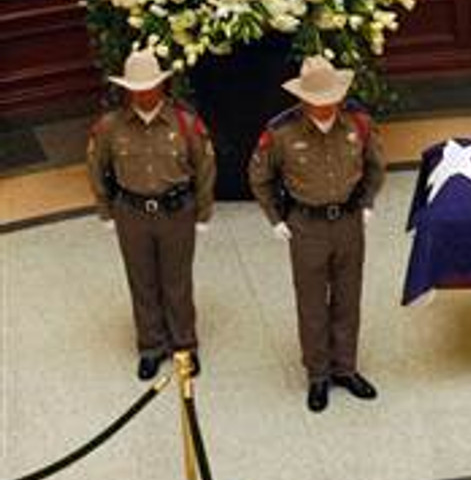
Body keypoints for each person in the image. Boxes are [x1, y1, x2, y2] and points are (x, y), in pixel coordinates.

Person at [248, 56, 386, 413]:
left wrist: (368, 202)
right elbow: (260, 177)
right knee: (311, 304)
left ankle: (346, 368)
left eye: (332, 98)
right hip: (305, 224)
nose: (326, 106)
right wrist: (276, 219)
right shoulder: (282, 133)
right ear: (304, 99)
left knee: (347, 298)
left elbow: (375, 165)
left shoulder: (358, 123)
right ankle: (318, 374)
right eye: (318, 99)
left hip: (349, 221)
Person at [86, 49, 215, 380]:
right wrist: (105, 211)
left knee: (177, 281)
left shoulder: (185, 124)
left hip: (177, 211)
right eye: (136, 88)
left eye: (149, 86)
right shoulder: (109, 127)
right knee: (141, 280)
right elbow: (97, 168)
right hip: (131, 211)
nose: (143, 93)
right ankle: (151, 346)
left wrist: (202, 213)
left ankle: (184, 344)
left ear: (161, 85)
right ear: (127, 89)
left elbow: (205, 168)